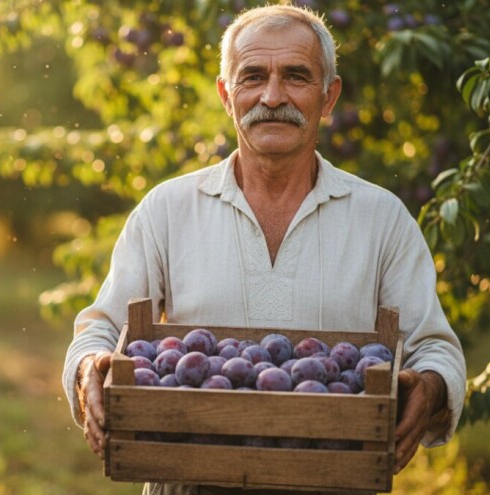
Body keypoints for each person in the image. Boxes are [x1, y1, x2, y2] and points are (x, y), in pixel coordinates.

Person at [62, 4, 466, 494]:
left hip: (332, 481)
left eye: (296, 76)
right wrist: (88, 370)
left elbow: (433, 347)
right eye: (253, 76)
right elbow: (101, 330)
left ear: (328, 95)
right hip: (188, 481)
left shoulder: (382, 219)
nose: (273, 97)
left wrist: (431, 386)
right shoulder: (166, 210)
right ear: (226, 96)